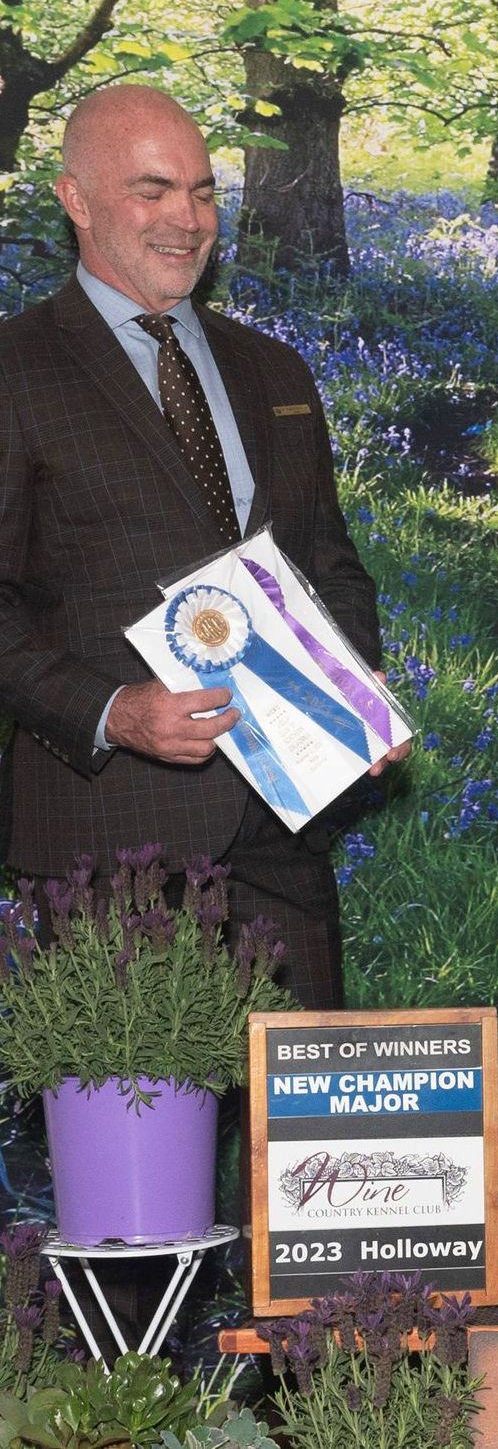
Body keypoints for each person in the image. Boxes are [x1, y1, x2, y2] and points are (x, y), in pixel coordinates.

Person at [0, 83, 410, 1009]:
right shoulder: (13, 370)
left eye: (203, 191)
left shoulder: (274, 370)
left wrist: (356, 702)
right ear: (76, 200)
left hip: (283, 840)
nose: (186, 220)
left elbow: (329, 565)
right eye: (152, 190)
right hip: (106, 846)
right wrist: (111, 710)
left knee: (305, 1150)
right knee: (139, 1144)